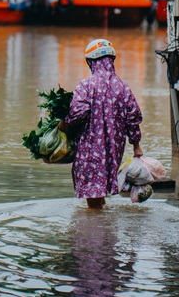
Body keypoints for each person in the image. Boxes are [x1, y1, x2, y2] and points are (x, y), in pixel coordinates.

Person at [59, 38, 143, 210]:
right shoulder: (123, 87)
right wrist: (136, 145)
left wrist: (64, 125)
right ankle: (105, 229)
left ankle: (96, 230)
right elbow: (133, 117)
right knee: (100, 189)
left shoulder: (86, 86)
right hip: (114, 149)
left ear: (90, 62)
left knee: (92, 192)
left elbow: (77, 113)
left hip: (89, 150)